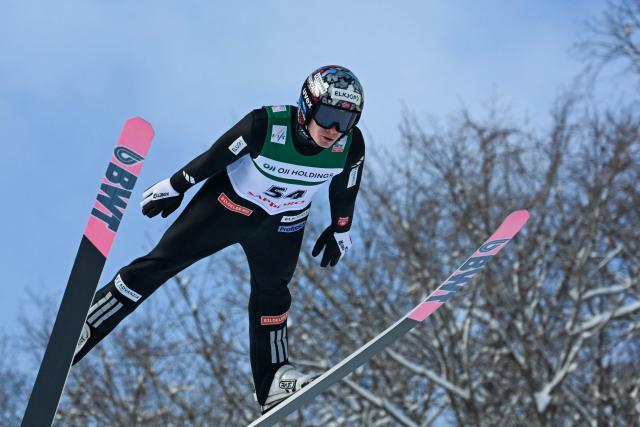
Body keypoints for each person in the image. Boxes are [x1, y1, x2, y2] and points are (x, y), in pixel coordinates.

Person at [72, 65, 366, 413]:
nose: (334, 130)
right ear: (306, 106)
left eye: (345, 121)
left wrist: (341, 226)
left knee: (274, 294)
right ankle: (90, 322)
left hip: (282, 224)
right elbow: (216, 156)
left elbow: (346, 186)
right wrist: (175, 186)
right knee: (161, 263)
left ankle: (273, 380)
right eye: (328, 116)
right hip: (227, 208)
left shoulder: (350, 145)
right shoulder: (266, 125)